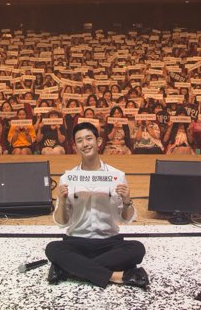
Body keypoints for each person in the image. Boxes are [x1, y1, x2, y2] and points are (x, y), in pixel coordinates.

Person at [45, 122, 148, 290]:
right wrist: (62, 201)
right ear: (75, 146)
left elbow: (126, 219)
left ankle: (68, 269)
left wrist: (127, 201)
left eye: (88, 138)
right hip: (77, 242)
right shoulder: (67, 178)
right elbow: (62, 223)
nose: (85, 144)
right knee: (53, 249)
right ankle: (118, 276)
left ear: (98, 142)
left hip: (109, 243)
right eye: (79, 141)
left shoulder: (117, 176)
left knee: (137, 249)